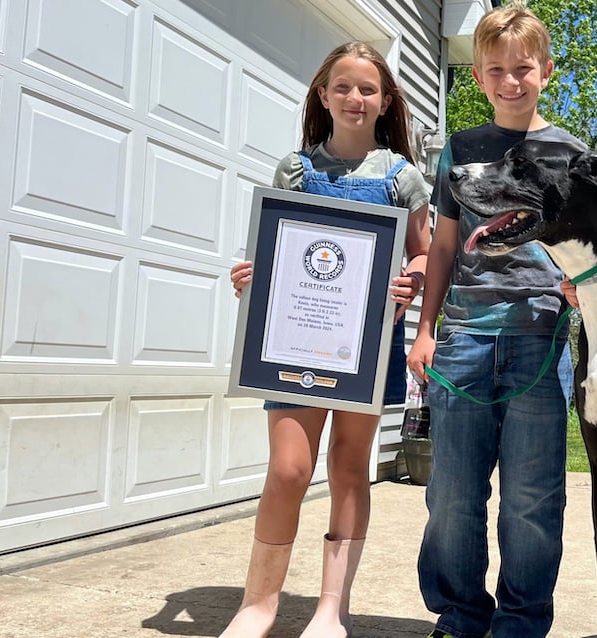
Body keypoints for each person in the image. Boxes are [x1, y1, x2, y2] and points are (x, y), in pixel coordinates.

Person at [222, 41, 430, 638]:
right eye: (342, 86)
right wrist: (254, 276)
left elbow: (421, 252)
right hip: (293, 344)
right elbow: (279, 247)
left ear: (386, 101)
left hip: (366, 346)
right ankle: (257, 605)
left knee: (347, 467)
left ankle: (330, 611)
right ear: (322, 95)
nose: (355, 98)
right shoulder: (295, 169)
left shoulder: (401, 176)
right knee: (288, 469)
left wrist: (411, 282)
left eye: (367, 89)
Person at [406, 4, 582, 638]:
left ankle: (522, 623)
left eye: (524, 68)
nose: (512, 81)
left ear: (546, 71)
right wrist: (425, 333)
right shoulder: (461, 151)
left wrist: (579, 287)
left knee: (533, 500)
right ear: (478, 77)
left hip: (540, 338)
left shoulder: (571, 153)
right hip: (464, 338)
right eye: (497, 70)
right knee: (452, 494)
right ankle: (459, 616)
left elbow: (590, 247)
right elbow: (445, 250)